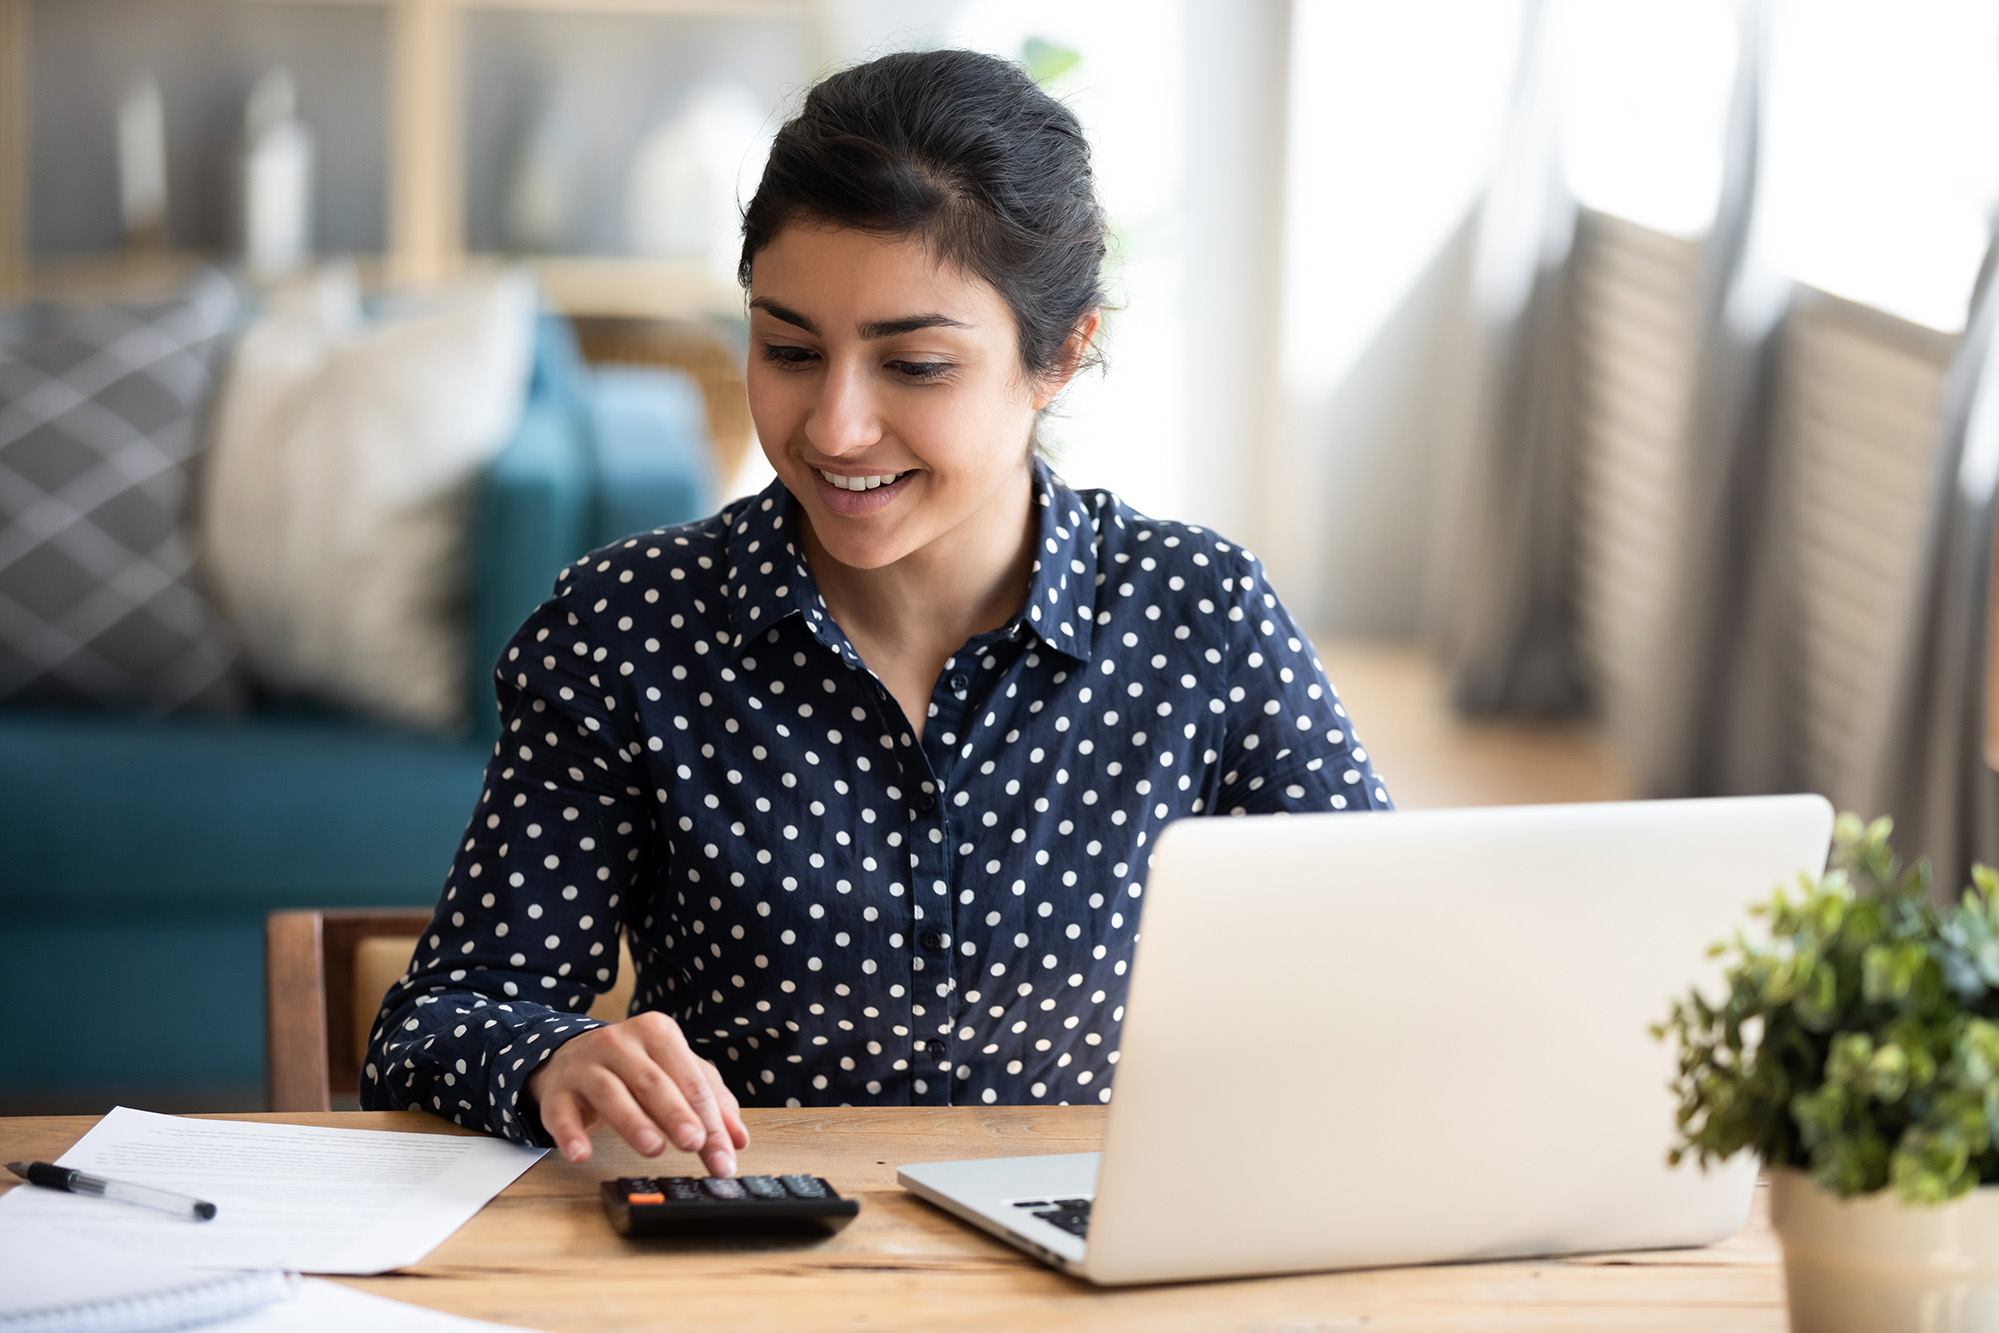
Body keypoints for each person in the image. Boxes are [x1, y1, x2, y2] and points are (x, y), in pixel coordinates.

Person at [362, 48, 1391, 1176]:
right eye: (789, 350)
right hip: (756, 1244)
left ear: (1059, 356)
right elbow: (434, 1025)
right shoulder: (627, 628)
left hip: (1093, 1244)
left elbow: (1392, 959)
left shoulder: (1201, 617)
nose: (836, 427)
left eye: (915, 365)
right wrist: (553, 1056)